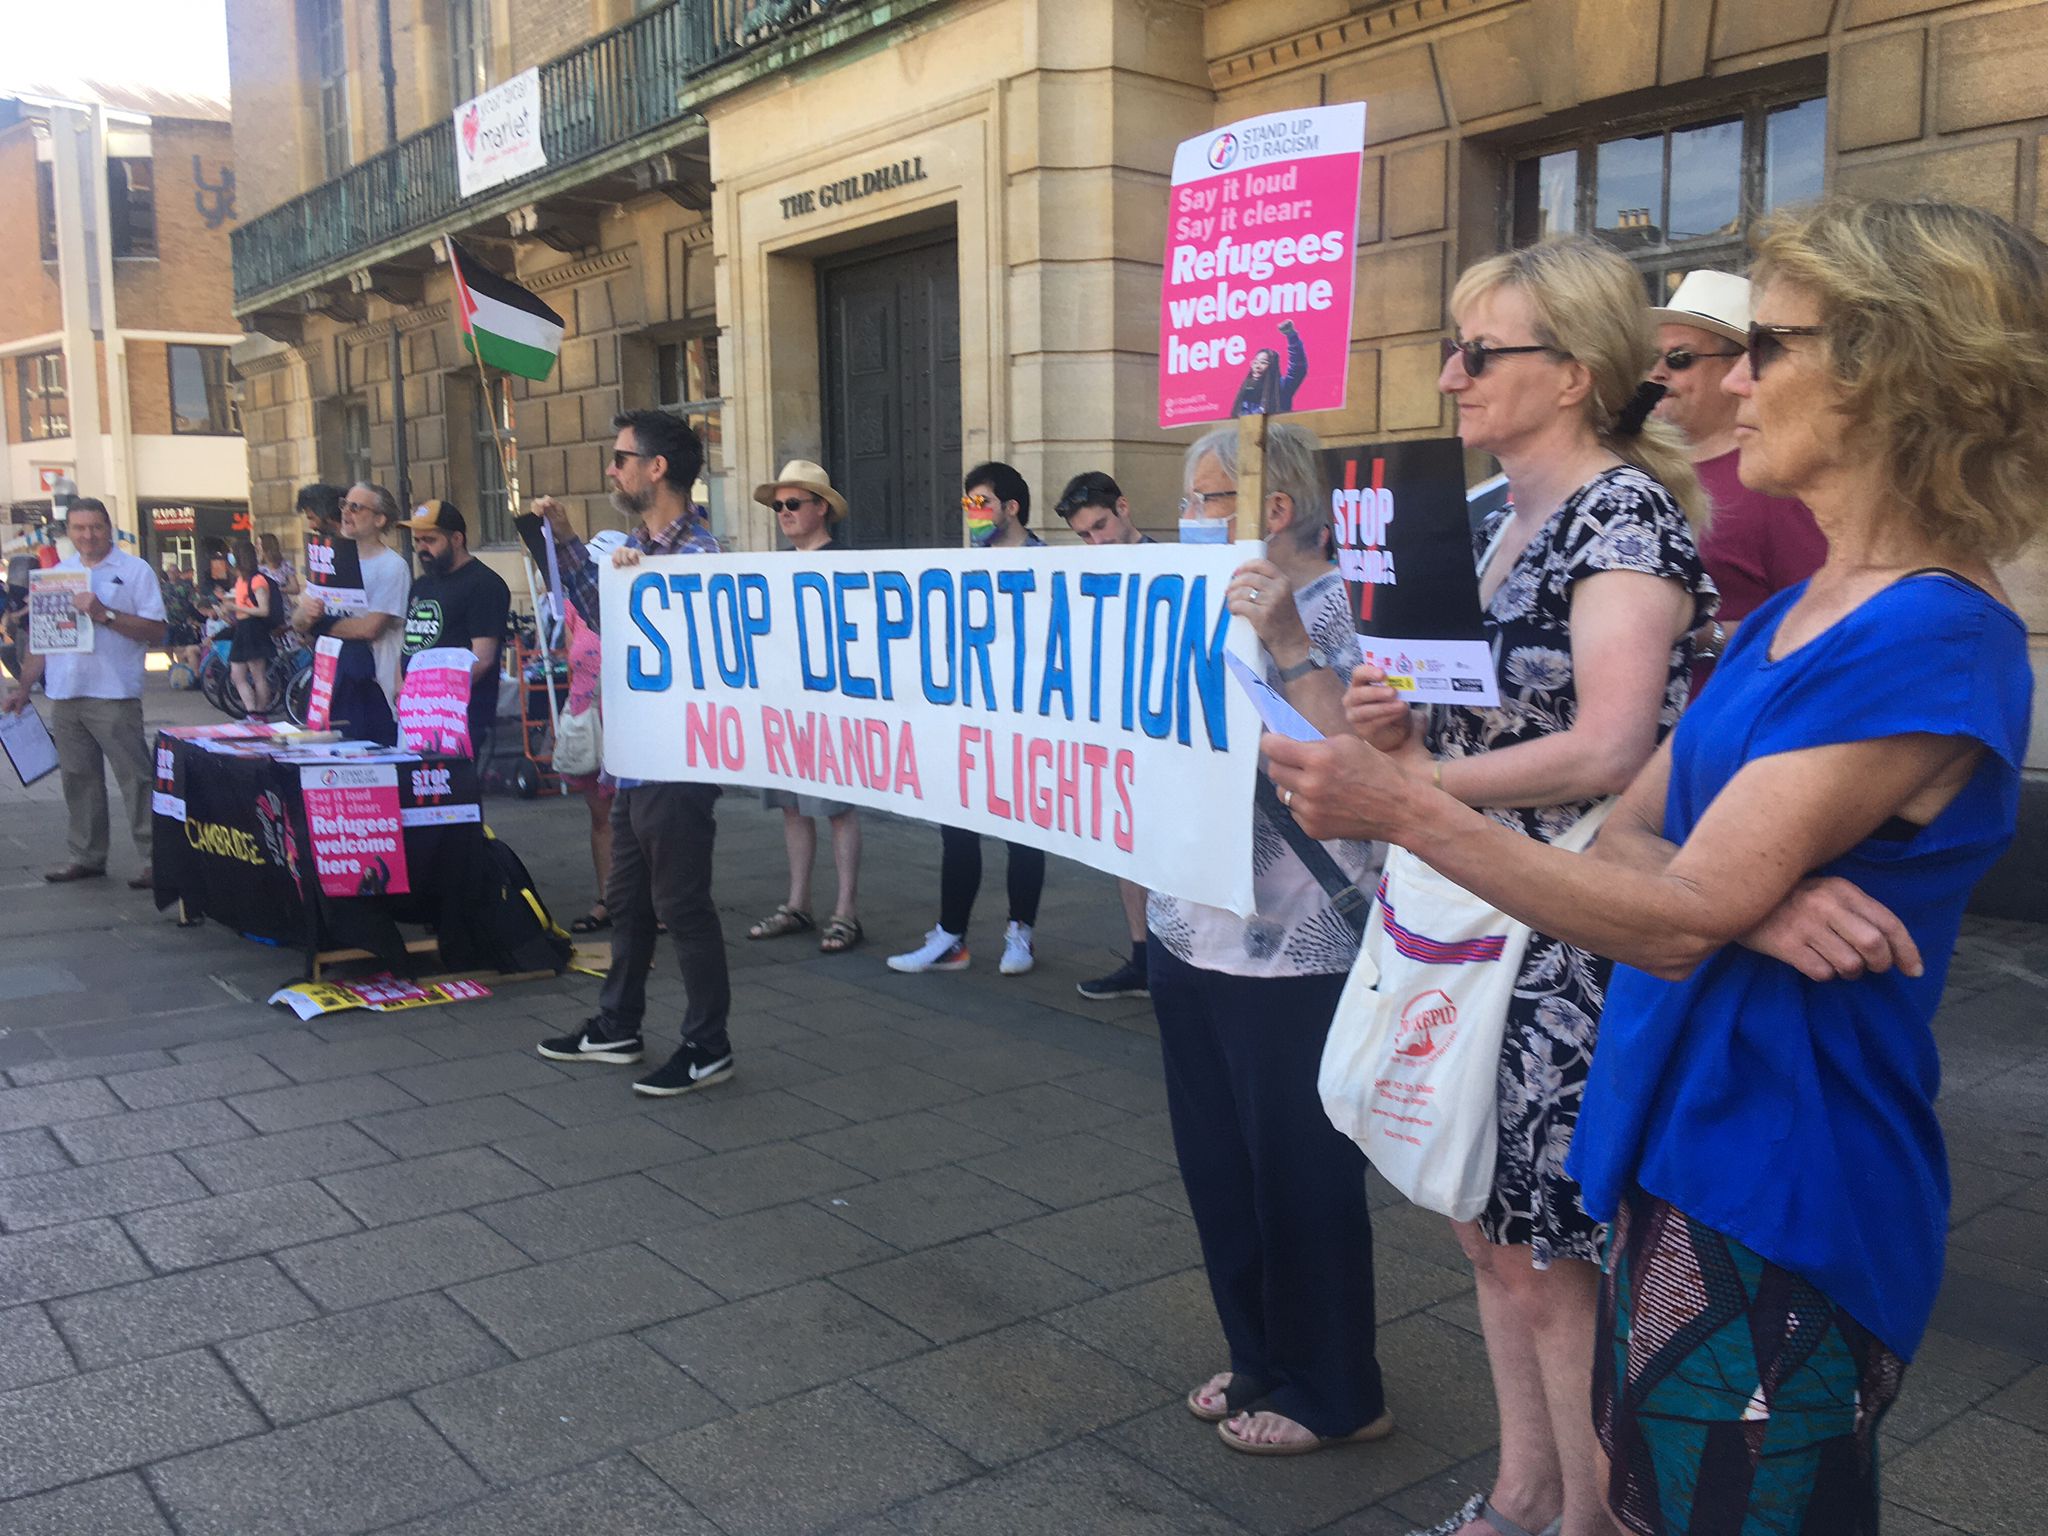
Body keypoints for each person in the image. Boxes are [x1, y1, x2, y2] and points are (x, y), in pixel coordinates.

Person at [1268, 197, 2046, 1536]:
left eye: (1771, 346)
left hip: (1784, 1167)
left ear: (1895, 370)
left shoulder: (1931, 632)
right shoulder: (1806, 609)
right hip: (1675, 1122)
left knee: (1723, 1501)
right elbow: (1638, 835)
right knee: (1645, 1489)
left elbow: (1667, 888)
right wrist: (1744, 895)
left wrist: (1411, 808)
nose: (1729, 380)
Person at [1344, 237, 1715, 1536]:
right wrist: (1393, 729)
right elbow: (1466, 731)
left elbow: (1613, 743)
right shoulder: (1496, 523)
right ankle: (1525, 1489)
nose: (1450, 377)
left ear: (1573, 373)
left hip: (1564, 926)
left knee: (1550, 1253)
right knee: (1487, 1227)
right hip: (1471, 897)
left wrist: (1421, 795)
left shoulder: (1626, 519)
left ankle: (1586, 1517)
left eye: (1478, 352)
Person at [1150, 421, 1390, 1457]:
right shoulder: (1180, 607)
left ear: (1268, 509)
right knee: (1219, 1165)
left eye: (1205, 500)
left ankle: (1335, 1385)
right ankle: (1259, 1355)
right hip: (1188, 926)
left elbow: (1356, 762)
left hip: (1295, 940)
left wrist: (1289, 643)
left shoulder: (1348, 608)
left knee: (1298, 1169)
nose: (1188, 519)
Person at [530, 410, 735, 1099]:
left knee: (683, 904)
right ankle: (617, 1023)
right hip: (633, 757)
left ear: (658, 469)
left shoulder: (699, 554)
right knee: (629, 901)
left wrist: (647, 580)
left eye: (622, 458)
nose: (611, 469)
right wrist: (564, 542)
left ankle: (709, 1044)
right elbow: (600, 616)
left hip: (676, 762)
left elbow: (685, 649)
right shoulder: (638, 547)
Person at [887, 462, 1046, 977]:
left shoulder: (1048, 563)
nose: (972, 513)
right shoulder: (964, 566)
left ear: (1011, 507)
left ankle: (1020, 932)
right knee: (957, 830)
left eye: (980, 502)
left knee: (1025, 832)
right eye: (968, 504)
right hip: (969, 720)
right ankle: (950, 936)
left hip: (1025, 721)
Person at [1645, 270, 1827, 684]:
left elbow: (1824, 625)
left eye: (1679, 358)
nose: (1656, 372)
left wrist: (1703, 637)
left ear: (1740, 366)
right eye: (1649, 358)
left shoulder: (1778, 482)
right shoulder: (1634, 472)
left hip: (1720, 731)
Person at [3, 498, 167, 888]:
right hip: (65, 692)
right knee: (78, 779)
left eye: (94, 527)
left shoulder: (134, 570)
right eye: (79, 528)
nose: (87, 535)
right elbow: (40, 643)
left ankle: (156, 858)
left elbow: (157, 631)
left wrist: (104, 614)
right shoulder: (59, 574)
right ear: (69, 532)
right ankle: (87, 855)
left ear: (108, 527)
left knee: (136, 778)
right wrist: (24, 689)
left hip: (114, 692)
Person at [748, 459, 865, 955]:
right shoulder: (774, 568)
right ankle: (798, 903)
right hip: (785, 703)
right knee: (792, 807)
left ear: (822, 508)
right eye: (778, 505)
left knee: (836, 809)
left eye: (793, 504)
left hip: (830, 704)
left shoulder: (845, 565)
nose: (784, 512)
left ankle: (846, 912)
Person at [1054, 470, 1154, 1000]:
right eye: (1085, 535)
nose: (1097, 541)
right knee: (1125, 851)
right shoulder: (1085, 574)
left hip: (1159, 736)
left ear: (1124, 507)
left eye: (1100, 526)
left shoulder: (1173, 567)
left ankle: (1165, 961)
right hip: (1113, 734)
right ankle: (1141, 956)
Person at [292, 482, 409, 747]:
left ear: (380, 519)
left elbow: (370, 628)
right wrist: (306, 615)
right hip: (327, 680)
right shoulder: (330, 557)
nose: (346, 512)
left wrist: (318, 625)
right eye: (344, 504)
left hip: (371, 686)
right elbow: (298, 621)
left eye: (356, 507)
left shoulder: (392, 566)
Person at [398, 500, 511, 756]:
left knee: (457, 791)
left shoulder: (484, 584)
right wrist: (403, 694)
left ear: (457, 539)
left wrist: (435, 700)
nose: (421, 548)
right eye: (417, 541)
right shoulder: (421, 584)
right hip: (417, 714)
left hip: (458, 715)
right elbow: (409, 642)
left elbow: (482, 658)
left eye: (429, 540)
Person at [225, 539, 282, 719]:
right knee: (237, 674)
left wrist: (237, 608)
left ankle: (259, 712)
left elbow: (263, 610)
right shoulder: (240, 580)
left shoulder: (257, 580)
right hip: (243, 627)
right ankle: (251, 711)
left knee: (258, 674)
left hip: (253, 627)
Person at [1232, 319, 1306, 416]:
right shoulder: (1247, 390)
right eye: (1255, 362)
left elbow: (1298, 368)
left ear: (1272, 367)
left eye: (1263, 362)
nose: (1257, 366)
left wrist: (1291, 335)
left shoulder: (1281, 387)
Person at [159, 563, 204, 678]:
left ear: (179, 573)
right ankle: (173, 662)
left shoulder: (186, 586)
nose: (172, 574)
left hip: (183, 620)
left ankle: (182, 668)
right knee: (166, 643)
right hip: (168, 620)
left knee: (181, 645)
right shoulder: (164, 587)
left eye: (174, 572)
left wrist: (195, 616)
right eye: (169, 572)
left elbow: (194, 601)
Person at [259, 531, 299, 601]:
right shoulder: (258, 567)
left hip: (282, 605)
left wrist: (278, 589)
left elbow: (295, 589)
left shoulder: (285, 565)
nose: (257, 547)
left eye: (259, 544)